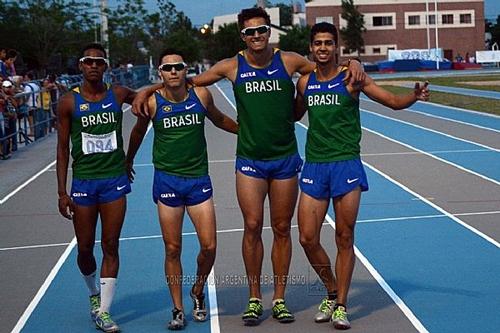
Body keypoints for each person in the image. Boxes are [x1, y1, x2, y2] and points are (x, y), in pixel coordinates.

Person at [133, 7, 365, 325]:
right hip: (250, 161)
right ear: (241, 35)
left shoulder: (290, 61)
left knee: (282, 229)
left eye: (261, 30)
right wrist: (147, 90)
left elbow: (329, 66)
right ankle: (255, 298)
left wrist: (355, 62)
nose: (256, 36)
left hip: (284, 159)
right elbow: (182, 83)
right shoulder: (231, 66)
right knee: (253, 226)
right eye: (249, 32)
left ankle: (279, 299)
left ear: (269, 31)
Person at [294, 22, 430, 330]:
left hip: (346, 165)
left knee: (344, 236)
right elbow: (292, 114)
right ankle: (330, 289)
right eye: (318, 43)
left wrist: (412, 96)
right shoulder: (304, 83)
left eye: (329, 42)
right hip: (315, 166)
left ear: (337, 47)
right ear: (312, 47)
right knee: (306, 237)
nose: (323, 48)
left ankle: (341, 305)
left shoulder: (351, 78)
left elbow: (391, 102)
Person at [126, 48, 238, 330]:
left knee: (209, 246)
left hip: (198, 179)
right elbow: (138, 132)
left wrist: (247, 132)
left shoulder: (200, 96)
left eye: (178, 66)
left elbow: (219, 118)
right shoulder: (152, 103)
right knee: (173, 248)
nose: (173, 71)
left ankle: (197, 291)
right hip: (167, 181)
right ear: (160, 73)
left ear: (185, 69)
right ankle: (177, 308)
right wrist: (126, 160)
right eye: (168, 68)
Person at [56, 42, 137, 333]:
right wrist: (62, 192)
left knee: (111, 245)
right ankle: (93, 293)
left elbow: (150, 104)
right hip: (84, 184)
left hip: (114, 180)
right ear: (80, 66)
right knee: (86, 248)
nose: (93, 66)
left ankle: (104, 311)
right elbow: (63, 149)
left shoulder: (118, 94)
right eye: (88, 61)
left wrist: (130, 156)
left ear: (106, 66)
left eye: (98, 62)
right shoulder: (68, 102)